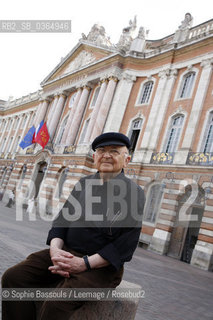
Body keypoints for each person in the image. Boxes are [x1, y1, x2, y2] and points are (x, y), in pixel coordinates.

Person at [2, 132, 145, 320]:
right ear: (95, 157)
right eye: (101, 150)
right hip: (66, 253)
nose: (107, 155)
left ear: (126, 160)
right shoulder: (83, 184)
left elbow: (124, 246)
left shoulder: (134, 193)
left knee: (57, 303)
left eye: (114, 151)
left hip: (101, 269)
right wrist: (55, 252)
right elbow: (61, 222)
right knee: (13, 278)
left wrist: (83, 264)